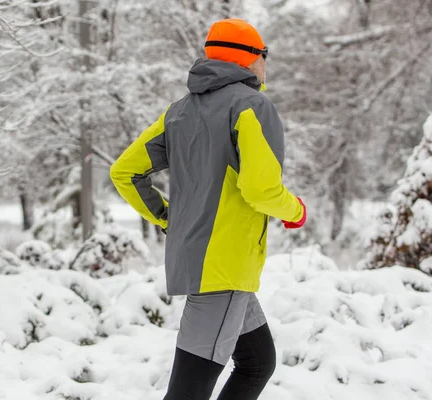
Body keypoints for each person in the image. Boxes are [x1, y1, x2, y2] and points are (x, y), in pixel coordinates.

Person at [110, 18, 307, 400]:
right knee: (187, 393)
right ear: (249, 59)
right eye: (265, 54)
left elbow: (125, 172)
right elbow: (260, 188)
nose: (267, 63)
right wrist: (293, 209)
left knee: (257, 363)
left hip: (207, 264)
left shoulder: (178, 111)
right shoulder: (252, 106)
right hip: (225, 266)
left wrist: (168, 216)